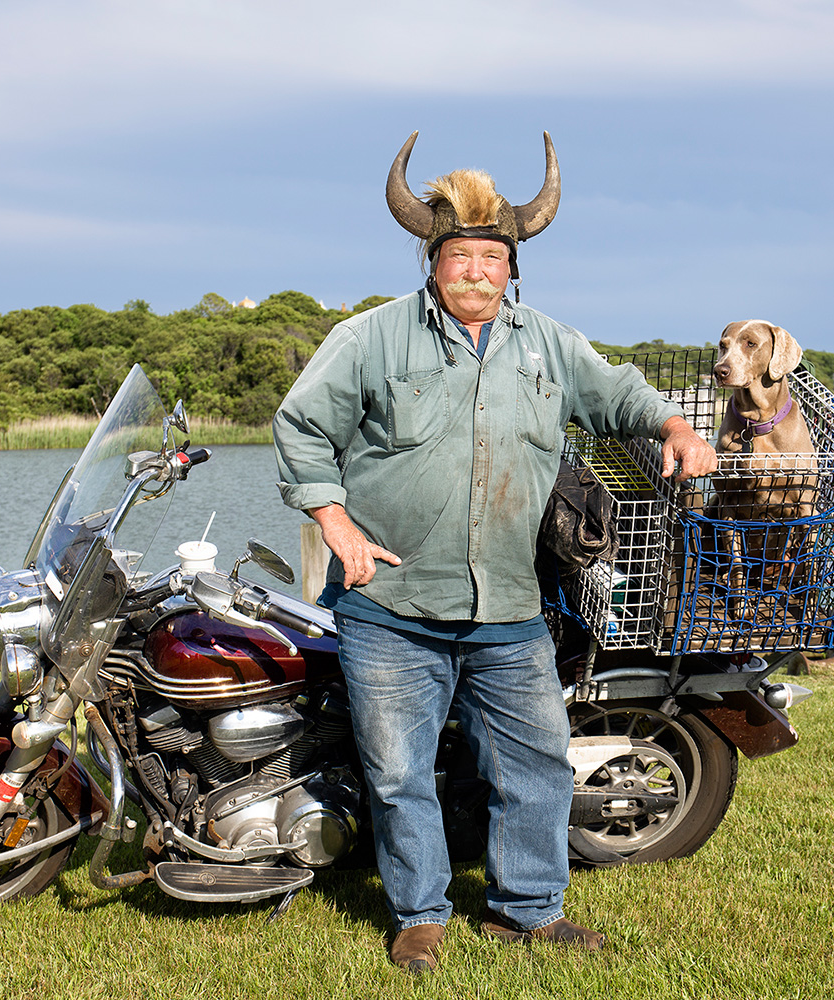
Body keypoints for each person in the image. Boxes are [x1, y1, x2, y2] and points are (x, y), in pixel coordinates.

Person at [272, 131, 716, 974]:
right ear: (430, 260)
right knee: (399, 772)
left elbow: (616, 390)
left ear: (512, 266)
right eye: (459, 256)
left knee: (538, 764)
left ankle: (527, 910)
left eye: (491, 257)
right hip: (390, 608)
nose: (476, 271)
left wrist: (676, 424)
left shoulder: (547, 343)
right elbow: (301, 428)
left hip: (509, 607)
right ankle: (419, 916)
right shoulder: (370, 339)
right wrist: (335, 523)